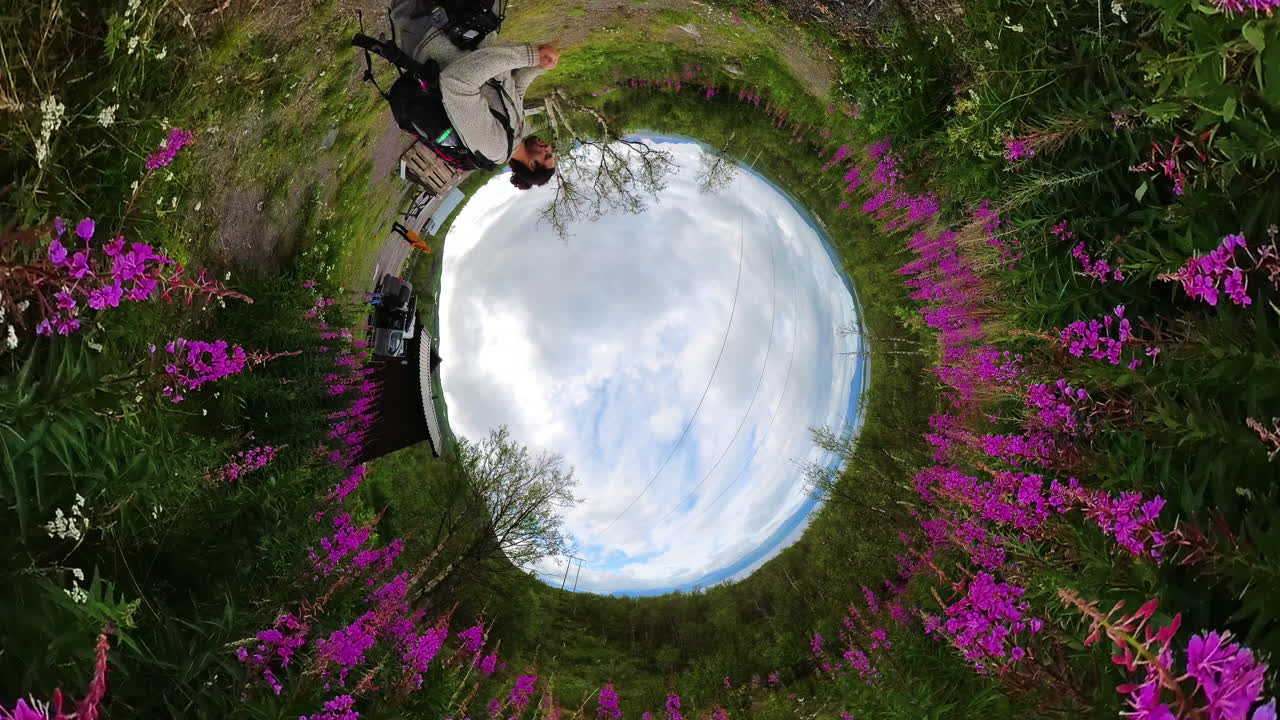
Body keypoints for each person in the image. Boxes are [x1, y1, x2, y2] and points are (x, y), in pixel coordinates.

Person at [390, 0, 559, 189]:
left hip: (430, 33)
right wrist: (540, 67)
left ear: (532, 165)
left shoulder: (495, 148)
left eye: (547, 156)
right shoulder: (516, 134)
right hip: (465, 21)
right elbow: (514, 91)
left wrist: (530, 56)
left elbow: (457, 83)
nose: (549, 148)